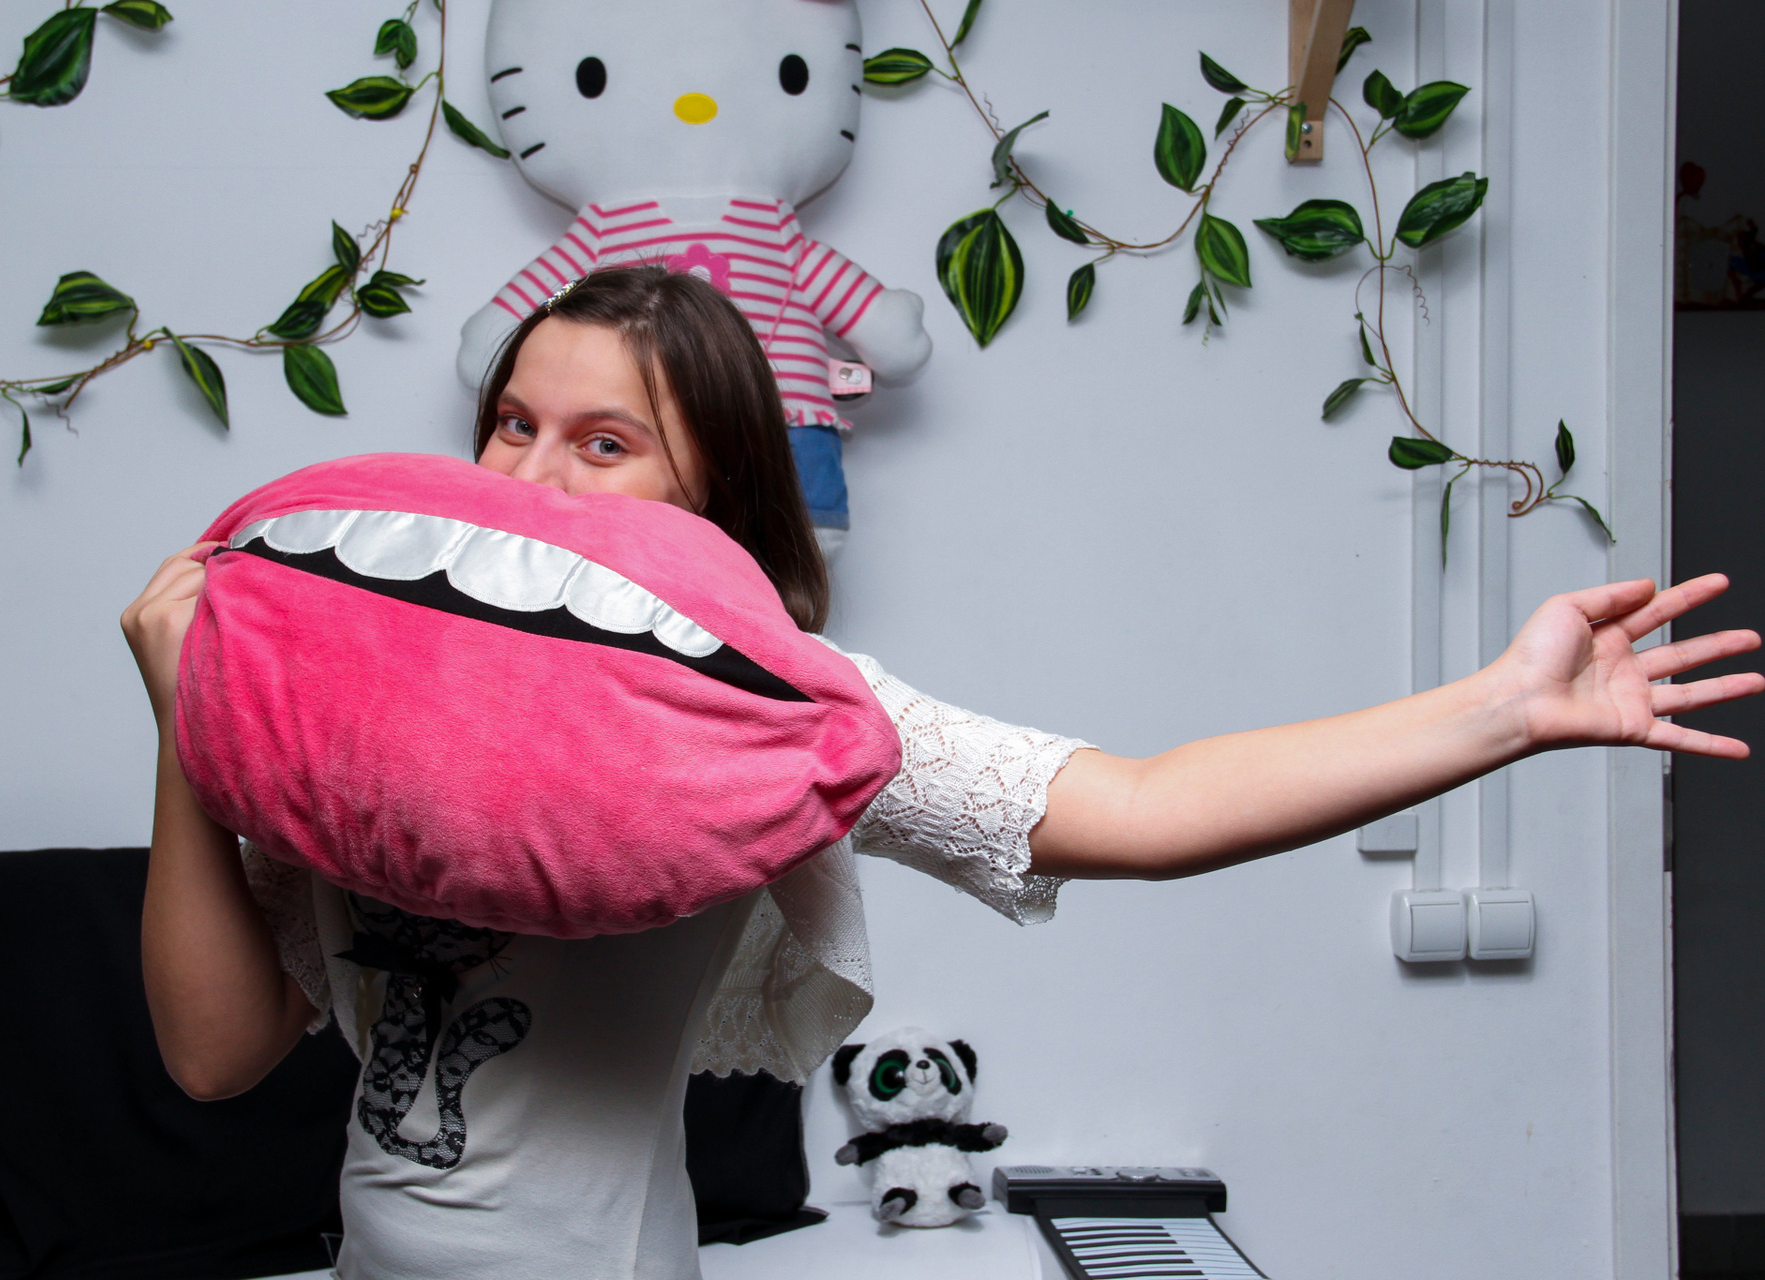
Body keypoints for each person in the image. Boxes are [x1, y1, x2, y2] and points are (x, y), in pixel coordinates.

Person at [122, 266, 1760, 1280]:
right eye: (512, 424)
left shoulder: (777, 722)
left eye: (605, 443)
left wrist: (1503, 707)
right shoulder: (343, 703)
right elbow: (214, 1057)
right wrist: (194, 714)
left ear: (711, 503)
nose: (534, 477)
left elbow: (1139, 807)